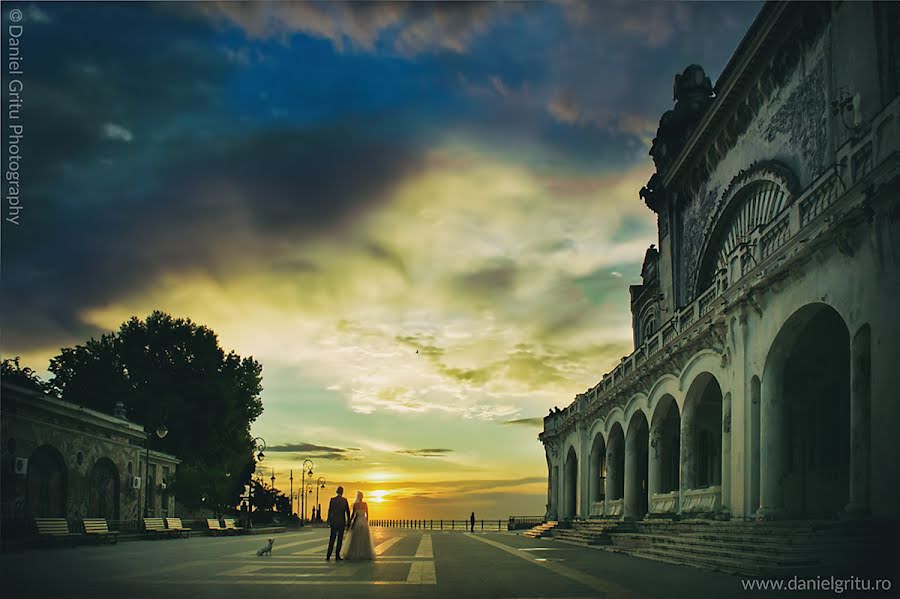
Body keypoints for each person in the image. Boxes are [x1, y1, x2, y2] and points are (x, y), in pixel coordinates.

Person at [343, 491, 375, 561]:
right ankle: (365, 553)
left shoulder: (355, 505)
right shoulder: (365, 504)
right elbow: (367, 514)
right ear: (362, 497)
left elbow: (353, 515)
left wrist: (349, 521)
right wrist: (366, 521)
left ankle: (355, 552)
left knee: (356, 538)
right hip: (363, 521)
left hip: (358, 521)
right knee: (364, 538)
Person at [326, 486, 351, 561]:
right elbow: (348, 512)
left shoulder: (332, 500)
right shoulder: (344, 500)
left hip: (334, 522)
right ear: (342, 492)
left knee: (332, 539)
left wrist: (329, 520)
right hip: (341, 522)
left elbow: (330, 511)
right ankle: (337, 556)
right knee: (339, 540)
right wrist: (349, 521)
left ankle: (328, 555)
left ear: (337, 492)